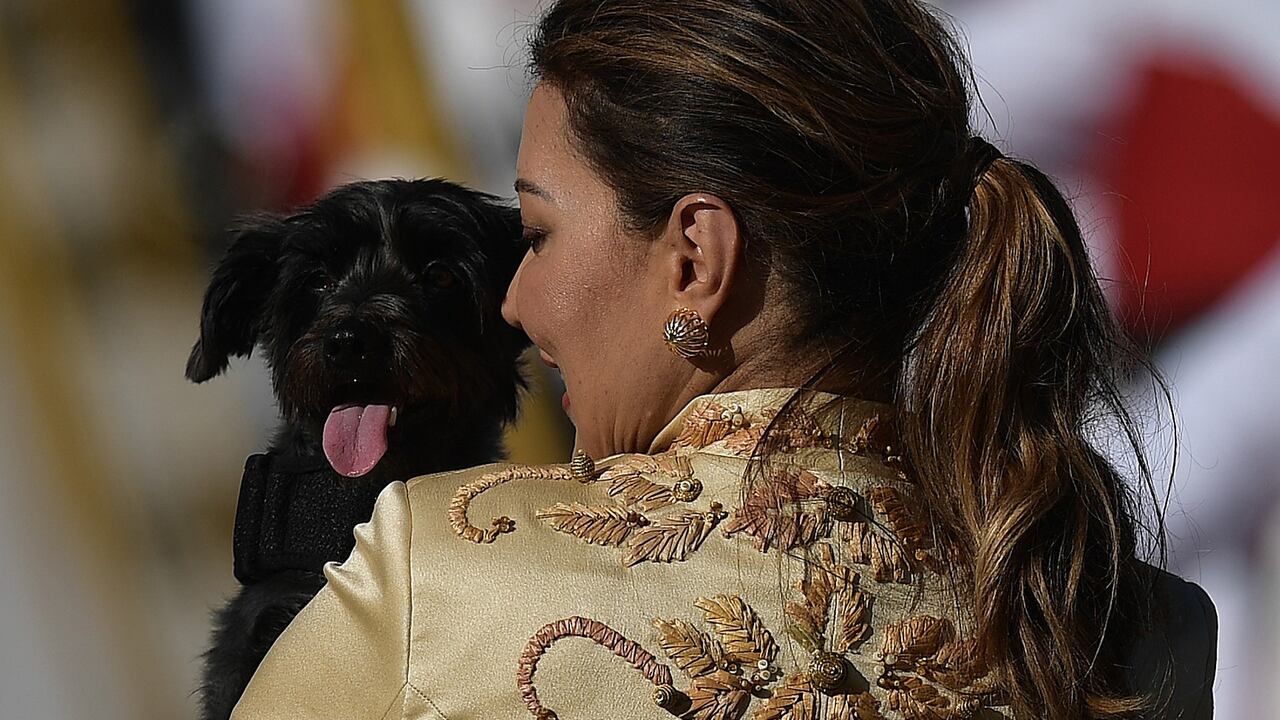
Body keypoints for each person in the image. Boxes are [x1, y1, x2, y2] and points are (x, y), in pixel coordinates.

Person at [229, 1, 1216, 718]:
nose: (516, 307)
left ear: (695, 260)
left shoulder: (433, 575)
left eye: (536, 239)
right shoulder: (1134, 627)